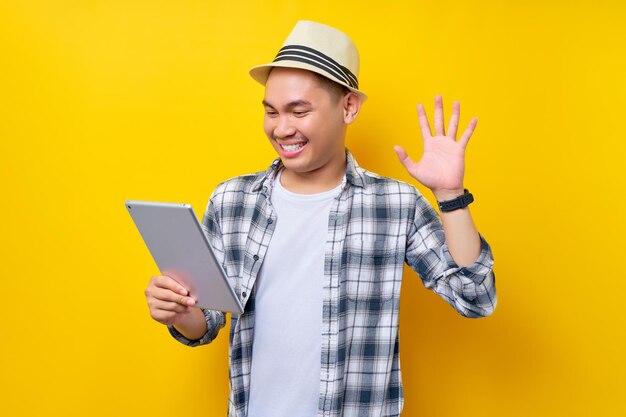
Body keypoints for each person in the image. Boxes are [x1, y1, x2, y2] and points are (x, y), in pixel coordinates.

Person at [144, 20, 496, 417]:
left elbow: (475, 298)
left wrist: (450, 197)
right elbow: (205, 323)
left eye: (299, 110)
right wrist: (178, 310)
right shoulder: (232, 201)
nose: (282, 128)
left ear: (348, 107)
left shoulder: (395, 204)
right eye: (271, 111)